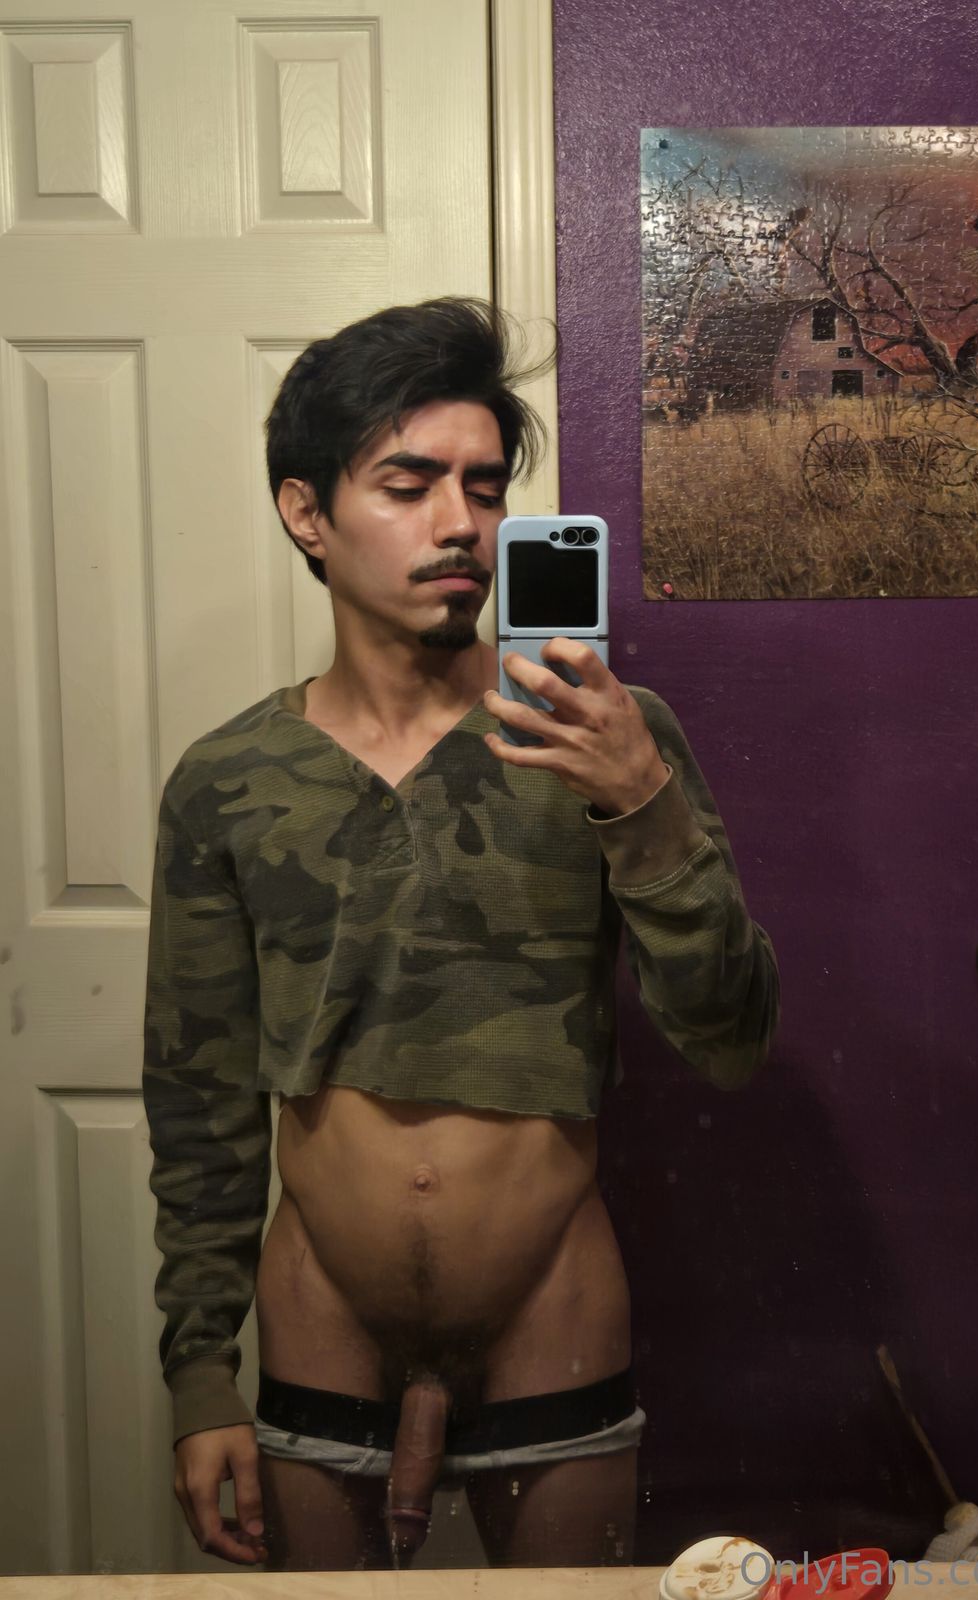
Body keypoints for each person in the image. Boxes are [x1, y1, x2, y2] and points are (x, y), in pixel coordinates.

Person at [142, 297, 780, 1573]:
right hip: (320, 1307)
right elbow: (199, 1097)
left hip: (553, 1301)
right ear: (306, 512)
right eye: (409, 484)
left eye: (485, 489)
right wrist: (200, 1375)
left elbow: (731, 1039)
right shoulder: (229, 781)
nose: (461, 524)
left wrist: (640, 801)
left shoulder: (607, 734)